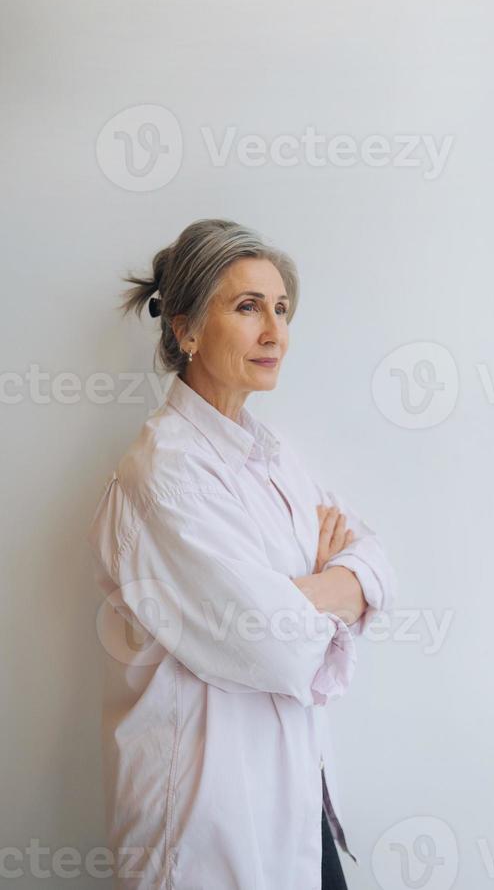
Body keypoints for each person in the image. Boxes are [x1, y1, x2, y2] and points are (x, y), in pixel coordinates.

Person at [86, 218, 398, 889]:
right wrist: (325, 587)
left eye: (281, 308)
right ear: (185, 329)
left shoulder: (275, 454)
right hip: (208, 825)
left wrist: (300, 592)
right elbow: (277, 646)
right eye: (247, 307)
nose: (274, 332)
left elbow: (377, 563)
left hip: (299, 801)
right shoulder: (163, 473)